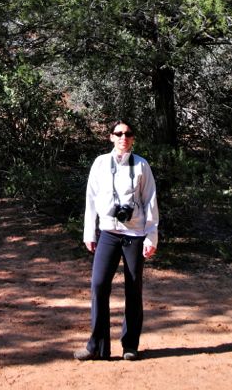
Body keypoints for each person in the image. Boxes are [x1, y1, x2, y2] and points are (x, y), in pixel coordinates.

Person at [74, 121, 159, 362]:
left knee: (134, 288)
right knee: (99, 285)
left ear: (133, 138)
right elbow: (91, 199)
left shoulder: (142, 165)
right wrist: (89, 233)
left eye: (128, 134)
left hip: (134, 235)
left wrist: (151, 236)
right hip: (108, 233)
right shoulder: (101, 163)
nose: (124, 137)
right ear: (110, 137)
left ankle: (130, 345)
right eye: (119, 134)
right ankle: (96, 346)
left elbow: (150, 202)